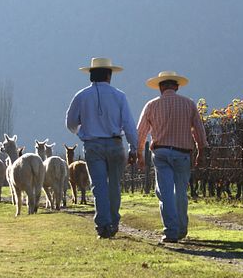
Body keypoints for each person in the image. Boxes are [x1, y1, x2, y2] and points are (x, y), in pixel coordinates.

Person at [66, 57, 138, 239]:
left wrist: (81, 130)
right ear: (108, 75)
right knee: (114, 185)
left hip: (93, 145)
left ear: (91, 75)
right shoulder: (119, 96)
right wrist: (133, 148)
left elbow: (70, 123)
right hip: (115, 144)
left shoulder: (81, 96)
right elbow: (129, 125)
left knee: (98, 186)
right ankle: (113, 222)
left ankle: (103, 225)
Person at [137, 71, 208, 243]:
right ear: (176, 86)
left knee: (166, 193)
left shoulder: (151, 105)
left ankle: (170, 231)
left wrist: (139, 154)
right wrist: (201, 151)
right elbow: (199, 130)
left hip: (161, 153)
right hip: (183, 154)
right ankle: (182, 228)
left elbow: (140, 133)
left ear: (160, 87)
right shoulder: (189, 104)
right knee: (181, 192)